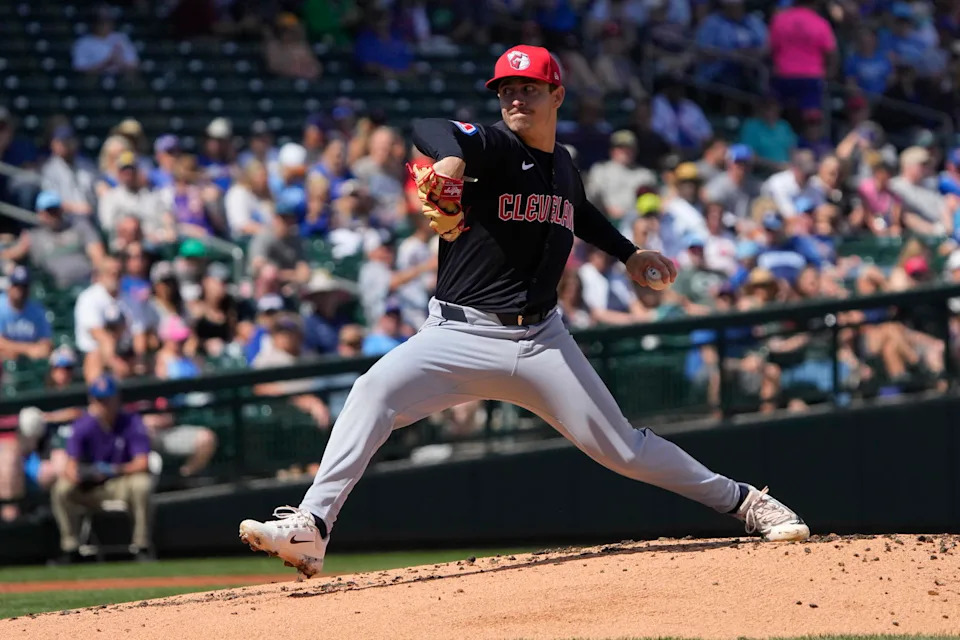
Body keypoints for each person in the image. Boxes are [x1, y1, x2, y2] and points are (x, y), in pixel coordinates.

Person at [239, 44, 810, 579]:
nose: (515, 98)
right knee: (371, 392)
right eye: (506, 88)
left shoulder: (562, 164)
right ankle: (312, 526)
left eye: (529, 88)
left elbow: (577, 210)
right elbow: (427, 129)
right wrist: (453, 159)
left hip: (541, 341)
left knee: (623, 450)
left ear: (557, 96)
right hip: (457, 335)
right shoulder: (490, 146)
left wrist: (628, 253)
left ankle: (749, 503)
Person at [49, 374, 153, 563]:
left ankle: (142, 546)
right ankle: (70, 548)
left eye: (107, 399)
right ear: (92, 400)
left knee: (142, 484)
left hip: (121, 481)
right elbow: (70, 466)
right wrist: (84, 475)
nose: (103, 404)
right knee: (61, 489)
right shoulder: (83, 425)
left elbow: (143, 463)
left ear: (117, 399)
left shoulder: (131, 422)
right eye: (99, 399)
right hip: (91, 488)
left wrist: (114, 469)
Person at [0, 191, 105, 289]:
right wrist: (10, 268)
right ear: (40, 213)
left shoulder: (79, 226)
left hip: (87, 282)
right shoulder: (33, 237)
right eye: (48, 211)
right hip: (55, 291)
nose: (53, 215)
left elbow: (98, 255)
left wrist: (98, 273)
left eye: (55, 210)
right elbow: (9, 255)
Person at [0, 266, 52, 362]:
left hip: (30, 364)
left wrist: (14, 349)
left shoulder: (37, 311)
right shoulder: (1, 306)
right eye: (16, 285)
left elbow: (46, 344)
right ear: (9, 286)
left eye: (24, 286)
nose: (20, 290)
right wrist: (28, 349)